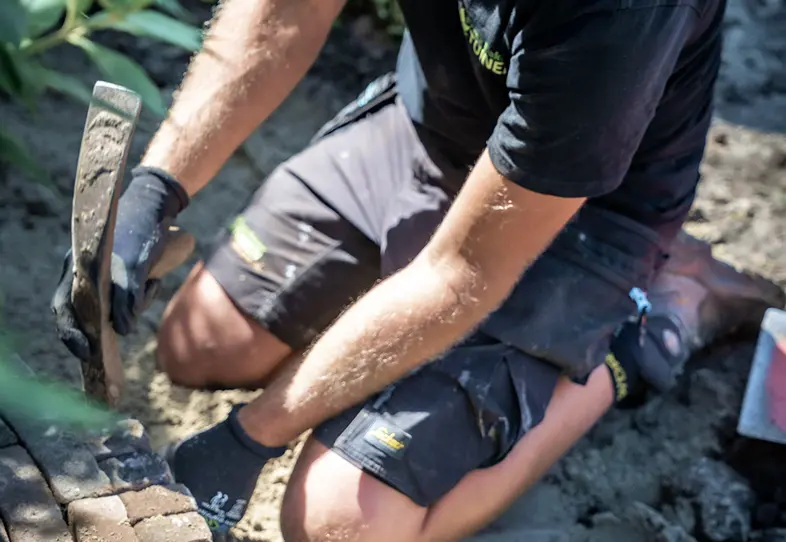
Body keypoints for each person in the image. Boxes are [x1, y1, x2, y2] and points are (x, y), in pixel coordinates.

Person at [50, 0, 785, 540]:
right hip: (433, 129)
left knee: (344, 519)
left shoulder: (612, 15)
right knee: (199, 345)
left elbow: (463, 272)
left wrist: (249, 438)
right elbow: (281, 15)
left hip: (581, 221)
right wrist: (157, 188)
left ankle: (654, 315)